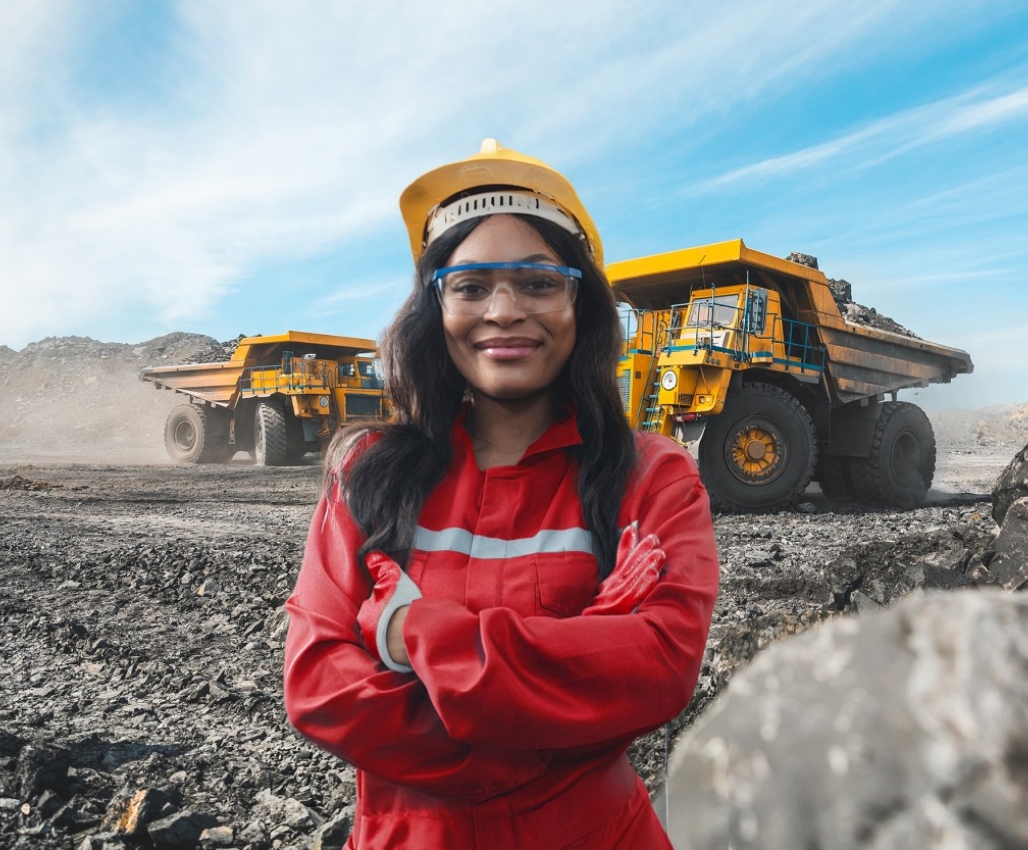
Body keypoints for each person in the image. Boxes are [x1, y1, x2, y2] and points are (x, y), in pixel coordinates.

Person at [283, 139, 720, 849]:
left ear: (580, 304)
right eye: (471, 286)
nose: (505, 310)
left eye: (539, 283)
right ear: (435, 307)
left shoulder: (651, 476)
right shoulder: (368, 471)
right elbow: (319, 687)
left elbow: (659, 667)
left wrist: (408, 632)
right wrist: (538, 740)